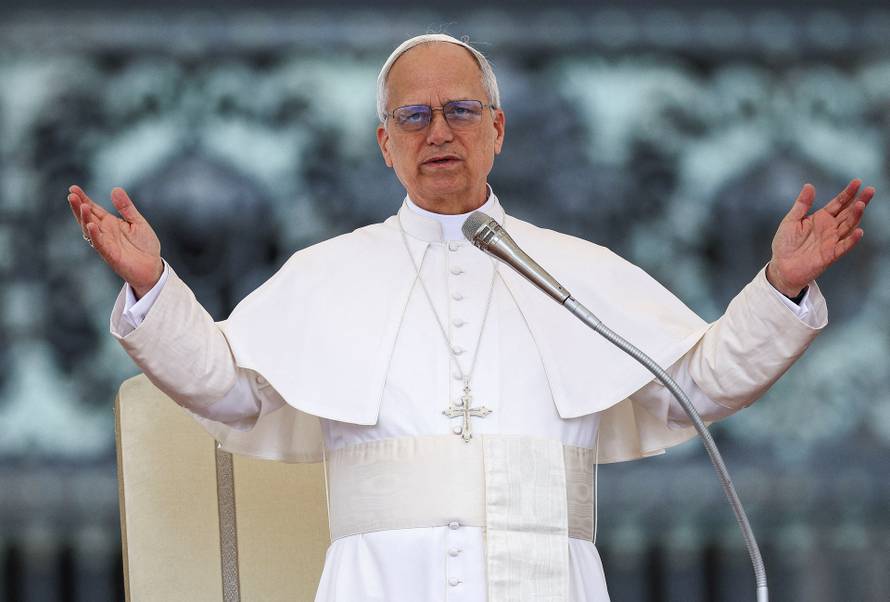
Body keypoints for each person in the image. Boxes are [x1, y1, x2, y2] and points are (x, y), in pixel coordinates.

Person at [67, 34, 873, 602]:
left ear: (498, 129)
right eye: (413, 118)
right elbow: (228, 391)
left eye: (459, 110)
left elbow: (689, 387)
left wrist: (778, 286)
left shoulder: (578, 271)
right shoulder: (325, 275)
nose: (438, 132)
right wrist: (153, 287)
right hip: (377, 584)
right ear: (385, 144)